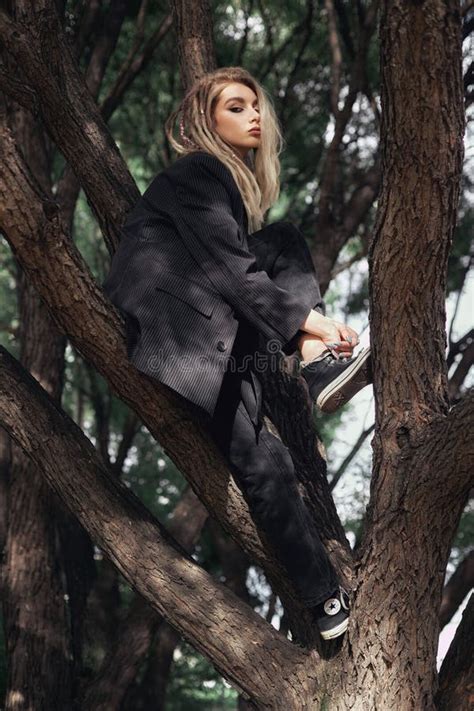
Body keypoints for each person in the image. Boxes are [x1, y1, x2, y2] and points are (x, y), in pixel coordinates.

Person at [102, 66, 372, 641]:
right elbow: (232, 269)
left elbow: (236, 268)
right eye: (235, 106)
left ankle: (325, 603)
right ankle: (319, 356)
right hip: (184, 330)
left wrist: (297, 325)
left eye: (255, 106)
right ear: (207, 119)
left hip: (207, 331)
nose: (253, 115)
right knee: (265, 463)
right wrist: (308, 317)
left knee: (267, 463)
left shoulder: (220, 188)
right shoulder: (199, 172)